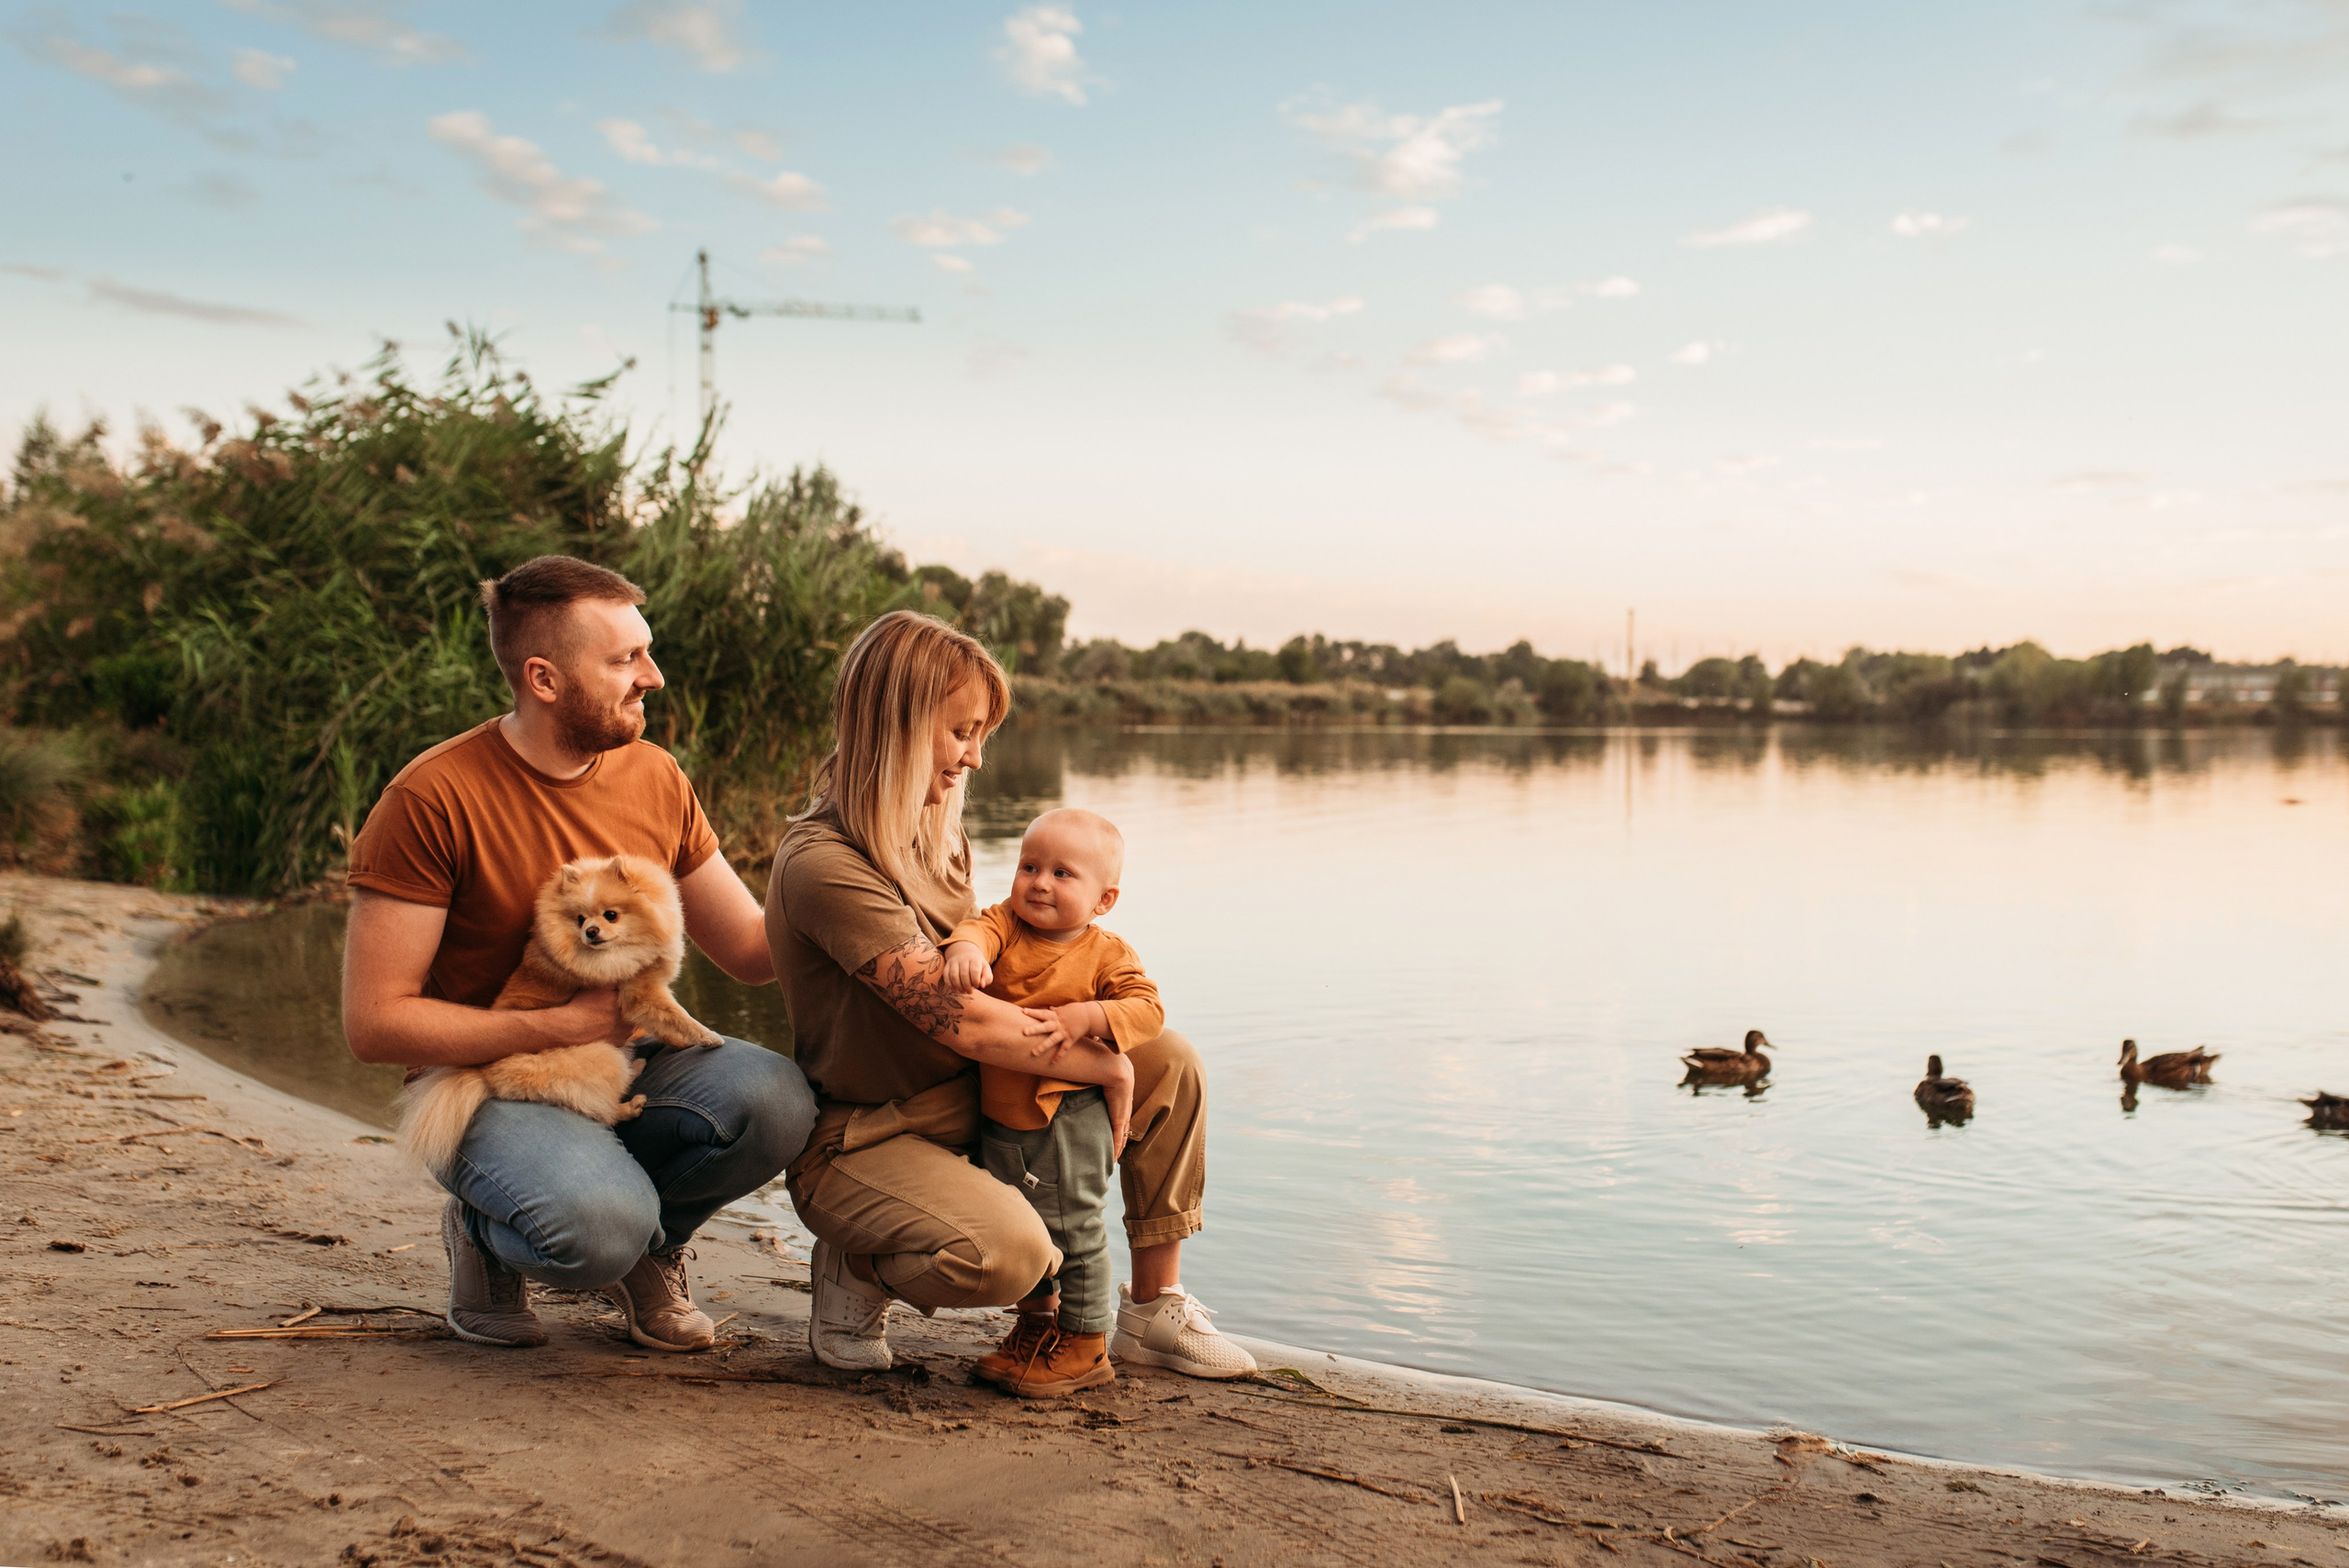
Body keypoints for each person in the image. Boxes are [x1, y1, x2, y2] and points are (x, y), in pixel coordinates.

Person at [766, 610, 1256, 1383]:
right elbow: (963, 1019)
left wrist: (1110, 1030)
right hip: (869, 1136)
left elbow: (1003, 982)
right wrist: (1100, 1066)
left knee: (1169, 1058)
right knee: (1008, 1254)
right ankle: (859, 1266)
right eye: (962, 730)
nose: (977, 757)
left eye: (981, 733)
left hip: (971, 1104)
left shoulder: (939, 834)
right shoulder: (823, 863)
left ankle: (1152, 1305)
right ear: (899, 721)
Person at [341, 555, 816, 1351]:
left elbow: (748, 950)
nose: (653, 677)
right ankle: (490, 1229)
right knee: (594, 1232)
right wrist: (559, 1026)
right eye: (625, 659)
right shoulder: (431, 797)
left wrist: (856, 879)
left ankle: (650, 1246)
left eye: (647, 651)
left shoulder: (656, 775)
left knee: (777, 1098)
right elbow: (375, 1025)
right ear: (544, 677)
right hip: (487, 1084)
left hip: (621, 1059)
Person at [941, 806, 1159, 1395]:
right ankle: (1038, 1326)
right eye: (1029, 866)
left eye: (1064, 874)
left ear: (1103, 899)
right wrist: (964, 951)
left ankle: (1087, 1341)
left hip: (1067, 1116)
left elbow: (1147, 1009)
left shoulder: (1104, 953)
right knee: (1025, 1224)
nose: (1040, 882)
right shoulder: (1006, 925)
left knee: (1075, 1229)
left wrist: (1089, 1015)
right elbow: (976, 929)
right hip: (1002, 1118)